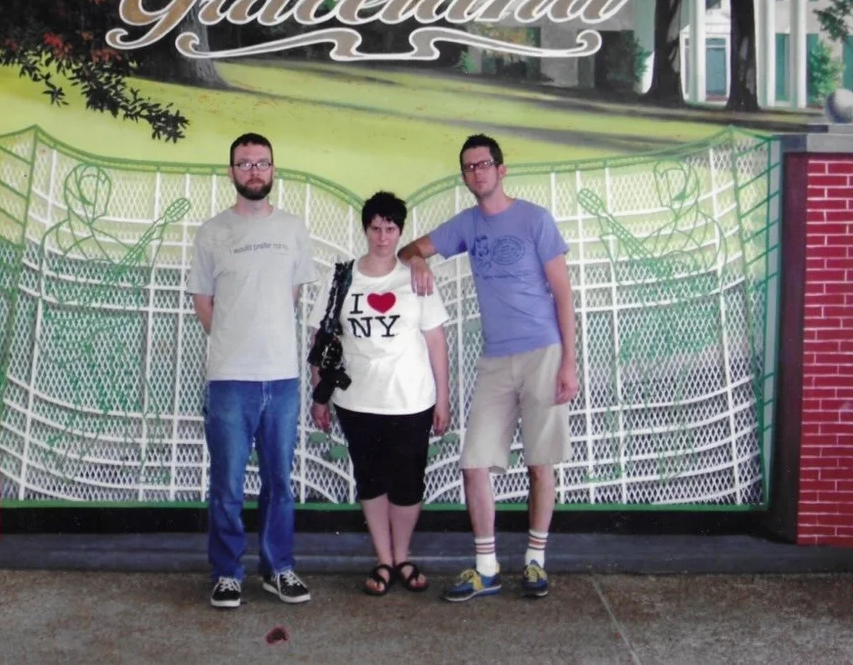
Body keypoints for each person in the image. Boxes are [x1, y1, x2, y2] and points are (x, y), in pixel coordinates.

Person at [397, 134, 579, 602]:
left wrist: (569, 364)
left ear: (501, 169)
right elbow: (408, 249)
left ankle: (535, 561)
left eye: (483, 164)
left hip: (543, 353)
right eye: (469, 167)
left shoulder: (535, 219)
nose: (477, 173)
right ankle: (486, 568)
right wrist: (418, 263)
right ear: (465, 176)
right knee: (475, 463)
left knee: (540, 463)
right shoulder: (467, 224)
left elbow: (563, 294)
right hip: (496, 359)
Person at [186, 132, 316, 609]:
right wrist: (233, 342)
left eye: (262, 163)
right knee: (226, 486)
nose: (254, 171)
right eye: (244, 163)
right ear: (231, 172)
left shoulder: (293, 229)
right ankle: (227, 573)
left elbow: (293, 297)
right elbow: (203, 303)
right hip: (229, 380)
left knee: (279, 483)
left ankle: (278, 569)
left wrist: (265, 338)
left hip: (281, 378)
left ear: (273, 169)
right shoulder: (212, 232)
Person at [307, 191, 451, 596]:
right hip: (357, 401)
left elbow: (436, 341)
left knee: (408, 483)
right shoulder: (342, 278)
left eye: (390, 228)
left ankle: (403, 556)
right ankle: (384, 560)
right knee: (370, 481)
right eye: (375, 228)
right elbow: (322, 339)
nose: (383, 237)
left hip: (412, 400)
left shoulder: (417, 278)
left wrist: (443, 398)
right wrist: (319, 394)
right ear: (365, 229)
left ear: (400, 231)